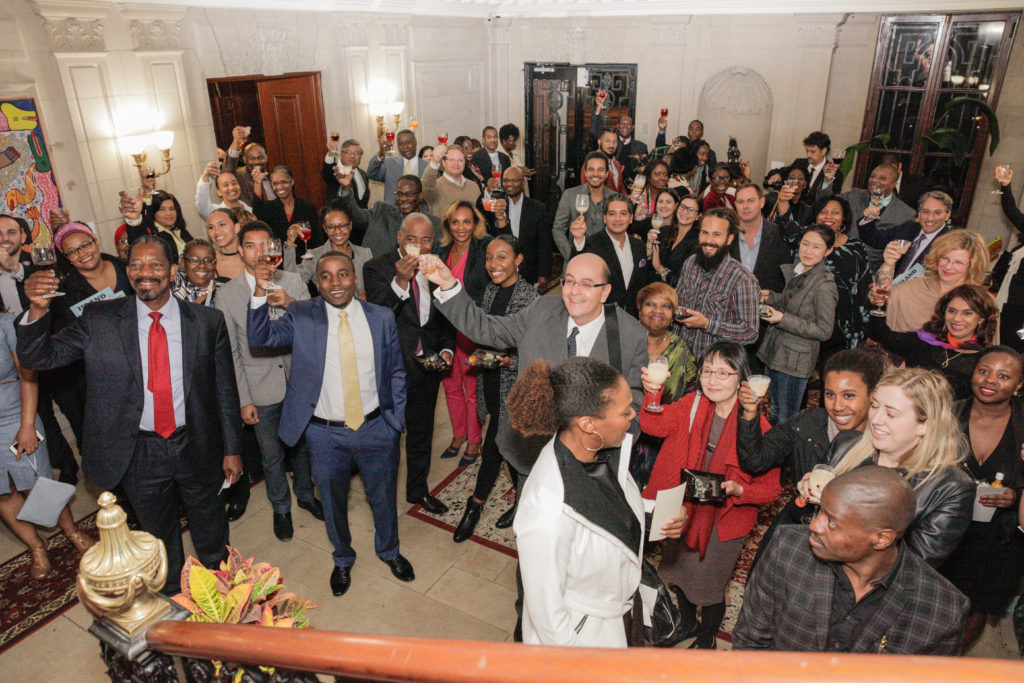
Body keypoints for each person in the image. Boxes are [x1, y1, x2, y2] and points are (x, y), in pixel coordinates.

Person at [16, 236, 242, 594]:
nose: (144, 272)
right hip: (139, 452)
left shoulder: (206, 321)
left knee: (212, 530)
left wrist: (232, 449)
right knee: (158, 539)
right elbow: (37, 358)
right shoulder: (100, 319)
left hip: (196, 444)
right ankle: (173, 601)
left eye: (155, 265)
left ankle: (224, 598)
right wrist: (37, 309)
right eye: (135, 265)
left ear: (173, 270)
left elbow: (225, 391)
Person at [247, 251, 413, 596]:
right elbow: (261, 338)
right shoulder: (302, 314)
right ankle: (342, 557)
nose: (335, 283)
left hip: (377, 429)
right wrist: (260, 291)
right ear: (317, 283)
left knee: (383, 497)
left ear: (355, 278)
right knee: (333, 503)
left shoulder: (381, 317)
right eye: (326, 276)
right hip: (324, 435)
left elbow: (396, 370)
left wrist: (394, 421)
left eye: (343, 274)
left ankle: (389, 551)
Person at [509, 356, 685, 647]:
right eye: (625, 411)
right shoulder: (547, 508)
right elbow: (547, 617)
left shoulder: (602, 450)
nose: (633, 415)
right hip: (585, 637)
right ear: (588, 423)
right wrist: (584, 665)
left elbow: (611, 504)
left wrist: (656, 515)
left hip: (618, 616)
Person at [425, 252, 648, 479]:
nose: (574, 291)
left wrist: (604, 446)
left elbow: (634, 407)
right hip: (531, 453)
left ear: (605, 292)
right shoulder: (541, 311)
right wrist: (448, 284)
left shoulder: (630, 335)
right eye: (569, 281)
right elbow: (486, 328)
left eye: (586, 284)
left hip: (592, 464)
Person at [733, 466, 969, 655]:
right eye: (821, 511)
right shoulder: (787, 548)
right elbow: (750, 643)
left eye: (832, 522)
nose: (815, 525)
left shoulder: (943, 611)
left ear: (881, 539)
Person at [641, 341, 781, 649]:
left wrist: (740, 489)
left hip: (725, 518)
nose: (713, 380)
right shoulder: (692, 405)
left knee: (709, 586)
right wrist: (652, 393)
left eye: (723, 373)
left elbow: (771, 490)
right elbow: (652, 424)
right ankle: (688, 623)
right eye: (706, 371)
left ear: (741, 379)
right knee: (679, 573)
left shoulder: (759, 427)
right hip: (687, 507)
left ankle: (706, 640)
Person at [216, 220, 323, 541]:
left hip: (298, 381)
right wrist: (244, 399)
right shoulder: (228, 294)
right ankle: (281, 507)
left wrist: (291, 302)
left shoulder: (292, 281)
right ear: (240, 250)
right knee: (271, 454)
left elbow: (316, 325)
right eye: (251, 246)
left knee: (301, 446)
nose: (259, 253)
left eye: (266, 245)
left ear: (275, 248)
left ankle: (306, 495)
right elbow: (232, 353)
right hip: (260, 388)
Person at [825, 367, 974, 567]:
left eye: (891, 413)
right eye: (874, 406)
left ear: (924, 425)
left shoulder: (949, 488)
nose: (875, 419)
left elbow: (913, 567)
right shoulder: (845, 445)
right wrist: (807, 498)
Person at [738, 349, 885, 538]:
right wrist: (749, 413)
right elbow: (754, 460)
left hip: (847, 542)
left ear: (873, 394)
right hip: (797, 528)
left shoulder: (882, 445)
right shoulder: (807, 423)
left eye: (848, 396)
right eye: (830, 394)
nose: (837, 406)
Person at [363, 214, 455, 515]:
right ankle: (381, 496)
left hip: (426, 367)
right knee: (387, 438)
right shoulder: (376, 266)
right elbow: (376, 313)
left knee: (421, 434)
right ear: (400, 237)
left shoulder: (436, 267)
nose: (419, 246)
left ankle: (417, 490)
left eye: (426, 239)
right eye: (412, 239)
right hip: (391, 369)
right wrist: (401, 280)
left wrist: (446, 349)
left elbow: (445, 315)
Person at [452, 236, 540, 541]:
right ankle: (523, 501)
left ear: (518, 259)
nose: (494, 265)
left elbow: (536, 350)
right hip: (490, 378)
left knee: (497, 444)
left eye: (502, 257)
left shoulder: (531, 298)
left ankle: (474, 506)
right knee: (510, 448)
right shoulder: (490, 290)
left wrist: (510, 361)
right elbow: (485, 332)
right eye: (489, 258)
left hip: (514, 386)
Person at [941, 346, 1024, 651]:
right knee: (936, 605)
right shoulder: (947, 416)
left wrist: (1016, 497)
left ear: (1018, 384)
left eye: (1003, 376)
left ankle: (948, 666)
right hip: (945, 534)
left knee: (976, 609)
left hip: (999, 541)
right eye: (984, 371)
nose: (990, 380)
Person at [0, 310, 94, 579]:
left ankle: (72, 532)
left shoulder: (5, 324)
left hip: (14, 414)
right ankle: (37, 547)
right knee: (3, 493)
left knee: (37, 482)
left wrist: (27, 425)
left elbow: (28, 376)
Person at [757, 225, 839, 423]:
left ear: (828, 251)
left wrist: (782, 319)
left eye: (816, 247)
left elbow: (824, 330)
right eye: (805, 244)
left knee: (787, 418)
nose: (808, 251)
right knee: (775, 410)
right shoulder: (799, 270)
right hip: (776, 351)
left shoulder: (824, 285)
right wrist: (770, 296)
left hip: (796, 361)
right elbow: (790, 303)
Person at [871, 284, 998, 400]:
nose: (956, 319)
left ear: (981, 319)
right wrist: (878, 304)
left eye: (967, 313)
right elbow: (879, 333)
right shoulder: (923, 342)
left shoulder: (985, 360)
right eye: (951, 311)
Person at [437, 202, 492, 466]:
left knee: (471, 389)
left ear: (475, 224)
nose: (461, 228)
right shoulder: (441, 252)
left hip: (471, 329)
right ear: (448, 225)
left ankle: (474, 440)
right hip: (446, 330)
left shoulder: (483, 250)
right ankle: (459, 434)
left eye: (467, 221)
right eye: (455, 222)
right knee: (450, 386)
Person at [780, 194, 871, 351]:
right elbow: (787, 222)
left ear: (843, 218)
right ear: (816, 215)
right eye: (823, 212)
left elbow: (864, 286)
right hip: (804, 322)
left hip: (844, 323)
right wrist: (782, 199)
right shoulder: (804, 239)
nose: (828, 216)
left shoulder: (856, 247)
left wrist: (866, 326)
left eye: (835, 212)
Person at [629, 282, 696, 488]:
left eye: (666, 306)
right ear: (639, 309)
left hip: (660, 440)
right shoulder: (624, 342)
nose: (658, 311)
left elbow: (691, 398)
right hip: (621, 433)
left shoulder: (681, 350)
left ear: (673, 315)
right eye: (650, 304)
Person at [672, 208, 759, 361]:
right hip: (680, 359)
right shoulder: (690, 263)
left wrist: (707, 324)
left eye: (717, 234)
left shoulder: (742, 279)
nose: (708, 240)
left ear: (729, 239)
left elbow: (750, 333)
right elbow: (678, 303)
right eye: (704, 233)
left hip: (714, 366)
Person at [871, 230, 990, 333]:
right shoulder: (917, 285)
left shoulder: (980, 300)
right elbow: (882, 297)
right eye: (945, 258)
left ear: (973, 266)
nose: (948, 267)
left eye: (959, 262)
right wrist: (889, 264)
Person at [569, 197, 661, 318]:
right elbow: (575, 270)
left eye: (623, 214)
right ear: (604, 218)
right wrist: (579, 240)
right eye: (612, 214)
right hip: (600, 315)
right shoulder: (592, 244)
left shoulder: (638, 245)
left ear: (631, 218)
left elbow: (643, 281)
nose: (618, 219)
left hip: (631, 316)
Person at [338, 171, 441, 259]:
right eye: (400, 194)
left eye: (409, 194)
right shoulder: (382, 211)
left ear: (420, 196)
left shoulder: (435, 224)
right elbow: (357, 217)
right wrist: (346, 189)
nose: (403, 199)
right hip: (378, 272)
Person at [283, 202, 371, 298]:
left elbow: (375, 286)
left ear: (350, 225)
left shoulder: (365, 254)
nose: (337, 231)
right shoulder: (314, 256)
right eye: (331, 227)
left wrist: (369, 294)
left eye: (342, 225)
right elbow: (294, 282)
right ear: (325, 228)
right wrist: (290, 242)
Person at [859, 191, 953, 278]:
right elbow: (875, 239)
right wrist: (868, 219)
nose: (930, 218)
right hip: (890, 284)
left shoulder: (950, 243)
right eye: (926, 211)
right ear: (919, 214)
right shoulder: (910, 228)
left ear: (947, 215)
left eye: (937, 213)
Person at [552, 152, 625, 259]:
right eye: (591, 169)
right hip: (577, 261)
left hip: (606, 262)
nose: (595, 174)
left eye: (600, 170)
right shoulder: (570, 195)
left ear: (606, 174)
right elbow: (558, 229)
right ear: (585, 173)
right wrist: (571, 255)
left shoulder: (615, 198)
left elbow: (621, 230)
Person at [490, 167, 552, 287]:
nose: (510, 184)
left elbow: (545, 243)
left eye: (515, 180)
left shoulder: (538, 208)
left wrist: (544, 273)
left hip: (529, 270)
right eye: (506, 180)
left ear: (523, 183)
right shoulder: (497, 206)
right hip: (502, 270)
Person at [987, 165, 1024, 350]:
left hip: (1020, 308)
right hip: (1009, 301)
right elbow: (1011, 210)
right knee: (1001, 342)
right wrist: (1005, 185)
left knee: (1015, 344)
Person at [729, 183, 791, 294]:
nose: (745, 206)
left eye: (751, 201)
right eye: (740, 202)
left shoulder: (779, 234)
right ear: (735, 205)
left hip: (768, 302)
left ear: (761, 202)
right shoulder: (726, 235)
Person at [254, 166, 321, 258]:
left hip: (304, 261)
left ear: (292, 182)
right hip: (278, 260)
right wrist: (257, 183)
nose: (279, 187)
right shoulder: (267, 208)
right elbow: (256, 212)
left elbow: (316, 240)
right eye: (275, 184)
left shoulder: (308, 207)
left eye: (284, 182)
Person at [764, 131, 842, 199]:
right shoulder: (799, 163)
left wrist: (827, 181)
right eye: (807, 151)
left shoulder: (836, 174)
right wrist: (778, 175)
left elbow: (831, 200)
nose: (808, 155)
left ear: (824, 151)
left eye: (812, 152)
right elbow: (778, 172)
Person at [122, 190, 195, 263]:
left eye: (171, 209)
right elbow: (138, 241)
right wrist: (134, 218)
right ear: (153, 213)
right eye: (162, 209)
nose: (169, 213)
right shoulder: (153, 236)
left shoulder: (180, 231)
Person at [651, 193, 701, 285]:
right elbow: (650, 262)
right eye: (683, 207)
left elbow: (680, 281)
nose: (685, 212)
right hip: (653, 286)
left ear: (698, 215)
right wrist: (648, 246)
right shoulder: (664, 231)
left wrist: (659, 267)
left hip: (673, 292)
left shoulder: (697, 243)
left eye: (691, 210)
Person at [216, 126, 273, 207]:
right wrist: (236, 141)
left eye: (261, 157)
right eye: (251, 158)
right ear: (244, 159)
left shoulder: (272, 177)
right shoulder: (240, 176)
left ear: (266, 157)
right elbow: (228, 169)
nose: (257, 162)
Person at [368, 129, 429, 205]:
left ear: (415, 142)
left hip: (419, 211)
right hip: (393, 210)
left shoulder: (427, 167)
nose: (405, 146)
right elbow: (371, 174)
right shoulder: (389, 163)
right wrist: (380, 154)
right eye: (401, 143)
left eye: (408, 142)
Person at [421, 143, 481, 217]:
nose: (456, 163)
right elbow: (425, 185)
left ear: (465, 163)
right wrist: (434, 162)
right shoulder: (435, 187)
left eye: (460, 160)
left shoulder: (474, 186)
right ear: (444, 162)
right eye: (451, 160)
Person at [323, 138, 370, 209]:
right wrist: (331, 153)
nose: (352, 156)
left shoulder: (363, 174)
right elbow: (327, 173)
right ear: (342, 154)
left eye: (356, 153)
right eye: (348, 152)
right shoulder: (336, 170)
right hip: (340, 214)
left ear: (360, 156)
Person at [173, 239, 220, 306]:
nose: (202, 265)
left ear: (214, 264)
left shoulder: (225, 291)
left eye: (208, 260)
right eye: (194, 260)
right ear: (183, 263)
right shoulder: (175, 289)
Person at [205, 208, 245, 281]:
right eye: (211, 227)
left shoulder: (252, 257)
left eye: (222, 224)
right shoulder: (208, 263)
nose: (216, 231)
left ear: (236, 227)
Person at [471, 126, 511, 196]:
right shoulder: (476, 157)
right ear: (483, 139)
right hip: (486, 196)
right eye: (489, 137)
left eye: (495, 137)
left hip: (504, 196)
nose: (493, 140)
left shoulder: (505, 158)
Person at [585, 129, 628, 195]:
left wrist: (628, 199)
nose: (611, 145)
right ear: (599, 142)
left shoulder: (616, 163)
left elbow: (621, 188)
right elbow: (587, 191)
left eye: (614, 142)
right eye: (607, 141)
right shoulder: (590, 163)